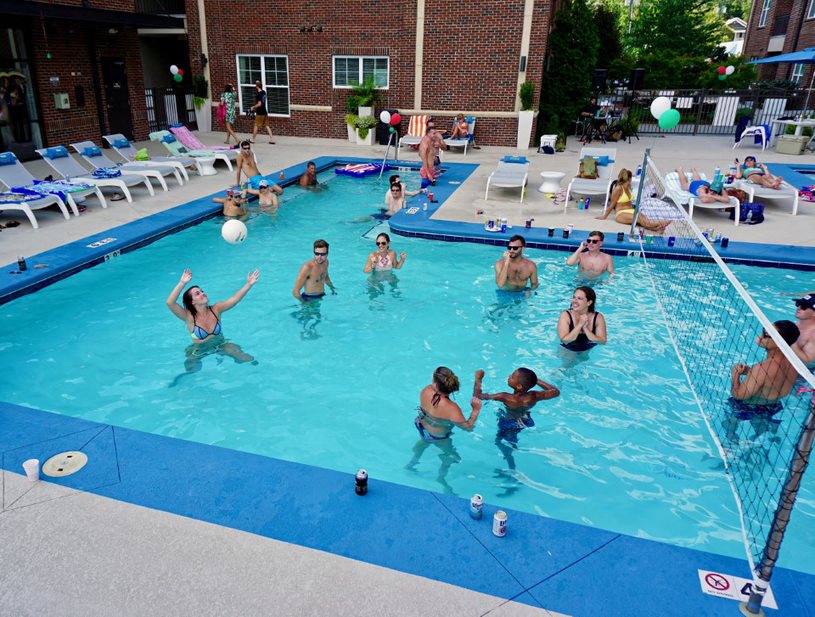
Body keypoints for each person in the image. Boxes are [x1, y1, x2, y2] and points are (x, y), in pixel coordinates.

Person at [165, 269, 260, 374]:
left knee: (246, 357)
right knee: (191, 368)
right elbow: (170, 302)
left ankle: (258, 372)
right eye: (197, 293)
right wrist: (182, 283)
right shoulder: (189, 317)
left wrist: (249, 284)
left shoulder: (216, 309)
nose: (202, 293)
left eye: (202, 291)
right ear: (192, 302)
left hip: (221, 344)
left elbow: (235, 299)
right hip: (199, 350)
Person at [728, 320, 800, 439]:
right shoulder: (794, 363)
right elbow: (773, 380)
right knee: (761, 436)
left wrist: (735, 374)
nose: (760, 336)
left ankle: (729, 444)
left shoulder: (761, 369)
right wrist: (751, 373)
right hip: (773, 408)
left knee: (728, 425)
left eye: (766, 335)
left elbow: (738, 395)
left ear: (779, 342)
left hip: (748, 407)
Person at [474, 367, 560, 445]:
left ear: (519, 386)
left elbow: (478, 396)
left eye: (512, 377)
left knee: (499, 441)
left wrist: (478, 379)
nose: (509, 376)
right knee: (512, 441)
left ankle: (509, 458)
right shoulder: (534, 396)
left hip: (509, 422)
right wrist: (535, 380)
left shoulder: (504, 397)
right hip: (525, 420)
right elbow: (556, 391)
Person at [414, 366, 482, 441]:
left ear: (435, 385)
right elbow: (468, 428)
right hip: (436, 436)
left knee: (422, 442)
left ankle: (417, 452)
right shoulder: (452, 409)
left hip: (420, 425)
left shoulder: (426, 390)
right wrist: (476, 410)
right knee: (451, 452)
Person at [597, 169, 671, 232]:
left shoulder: (629, 187)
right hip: (621, 213)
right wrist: (604, 216)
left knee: (643, 220)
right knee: (639, 219)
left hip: (632, 210)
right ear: (630, 178)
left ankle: (657, 228)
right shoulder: (618, 188)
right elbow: (612, 204)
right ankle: (662, 222)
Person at [557, 286, 608, 352]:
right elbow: (565, 340)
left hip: (587, 348)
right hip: (567, 348)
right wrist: (580, 324)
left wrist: (585, 329)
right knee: (570, 361)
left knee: (585, 361)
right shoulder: (566, 315)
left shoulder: (598, 317)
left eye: (579, 298)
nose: (574, 301)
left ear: (589, 302)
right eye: (574, 297)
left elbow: (603, 342)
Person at [792, 294, 815, 367]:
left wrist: (790, 340)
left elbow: (808, 361)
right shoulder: (798, 323)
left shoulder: (813, 334)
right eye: (798, 304)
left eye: (804, 307)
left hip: (804, 372)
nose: (798, 308)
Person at [250, 80, 275, 144]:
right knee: (267, 125)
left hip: (260, 113)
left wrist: (253, 107)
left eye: (256, 86)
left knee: (256, 125)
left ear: (257, 87)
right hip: (265, 112)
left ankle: (252, 139)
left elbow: (259, 104)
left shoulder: (258, 94)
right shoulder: (264, 92)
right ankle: (272, 139)